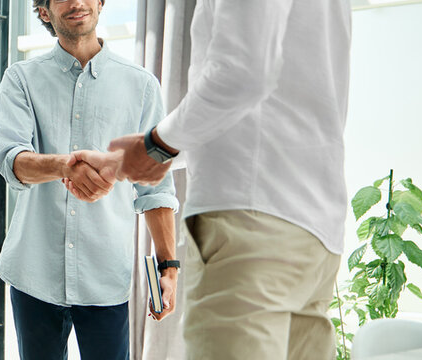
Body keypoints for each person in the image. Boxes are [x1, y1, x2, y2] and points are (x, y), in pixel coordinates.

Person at [70, 1, 352, 358]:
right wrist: (133, 159)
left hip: (251, 230)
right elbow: (263, 108)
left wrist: (156, 146)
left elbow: (243, 74)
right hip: (313, 234)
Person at [0, 0, 180, 359]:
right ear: (44, 11)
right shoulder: (20, 78)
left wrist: (168, 266)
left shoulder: (141, 86)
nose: (76, 2)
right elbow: (11, 160)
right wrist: (67, 165)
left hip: (106, 273)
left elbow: (155, 186)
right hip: (34, 271)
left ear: (100, 3)